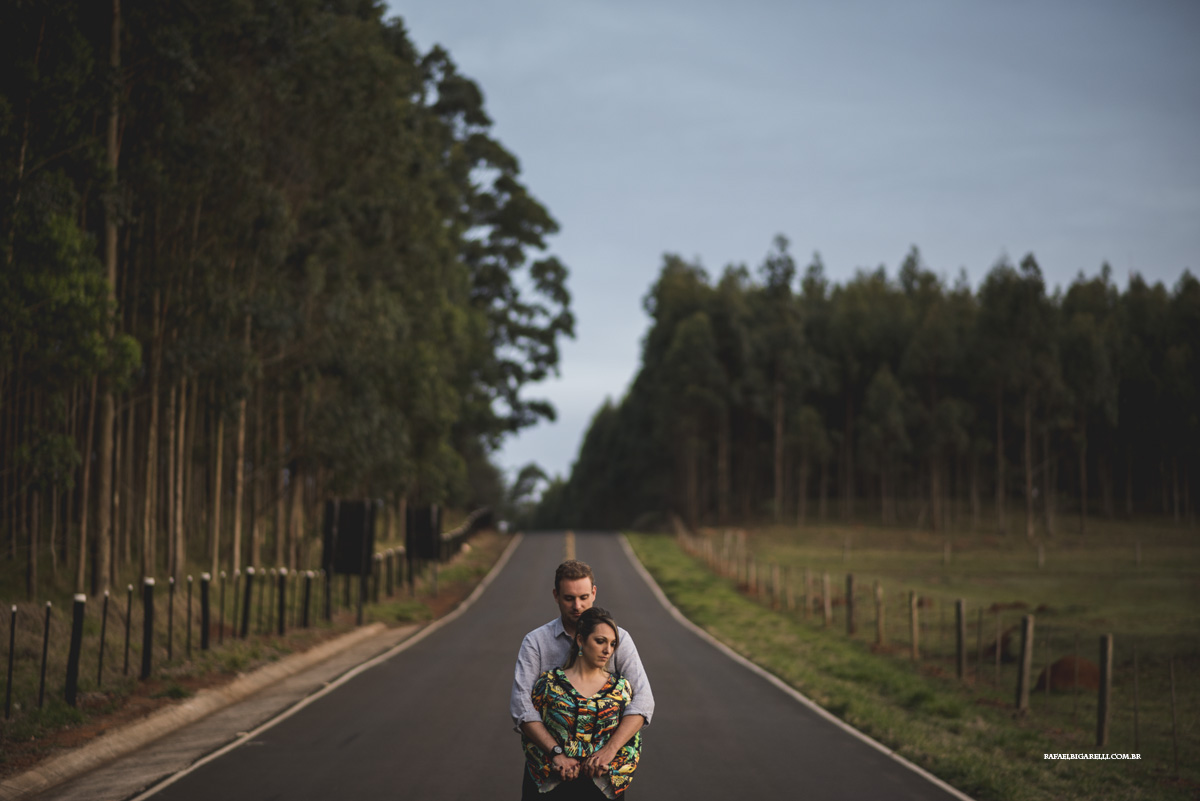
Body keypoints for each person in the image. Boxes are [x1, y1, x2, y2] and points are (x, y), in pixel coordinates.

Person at [512, 560, 654, 798]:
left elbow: (643, 701)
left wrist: (608, 752)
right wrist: (556, 753)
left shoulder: (620, 639)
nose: (577, 606)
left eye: (584, 597)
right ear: (556, 595)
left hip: (601, 775)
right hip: (549, 772)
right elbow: (522, 707)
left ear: (594, 593)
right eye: (569, 598)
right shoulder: (535, 642)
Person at [521, 607, 641, 798]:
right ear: (580, 640)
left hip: (601, 790)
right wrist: (555, 757)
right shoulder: (549, 684)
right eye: (600, 641)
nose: (607, 650)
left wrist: (609, 764)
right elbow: (529, 734)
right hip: (553, 788)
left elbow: (632, 743)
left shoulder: (621, 690)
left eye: (612, 644)